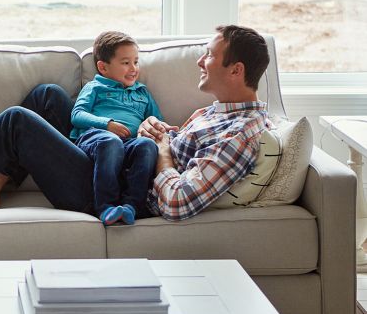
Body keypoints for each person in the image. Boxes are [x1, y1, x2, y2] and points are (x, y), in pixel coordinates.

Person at [138, 25, 272, 221]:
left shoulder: (240, 135)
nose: (200, 61)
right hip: (122, 167)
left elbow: (177, 203)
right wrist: (152, 129)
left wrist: (162, 152)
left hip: (127, 195)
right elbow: (174, 148)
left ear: (236, 70)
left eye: (209, 55)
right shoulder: (216, 112)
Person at [70, 31, 161, 226]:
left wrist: (161, 128)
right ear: (103, 67)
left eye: (136, 62)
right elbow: (77, 115)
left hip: (129, 144)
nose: (133, 68)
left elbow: (155, 120)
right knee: (110, 141)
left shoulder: (142, 92)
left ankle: (132, 206)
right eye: (126, 63)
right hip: (96, 140)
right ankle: (106, 206)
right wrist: (107, 124)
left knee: (147, 145)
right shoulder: (95, 87)